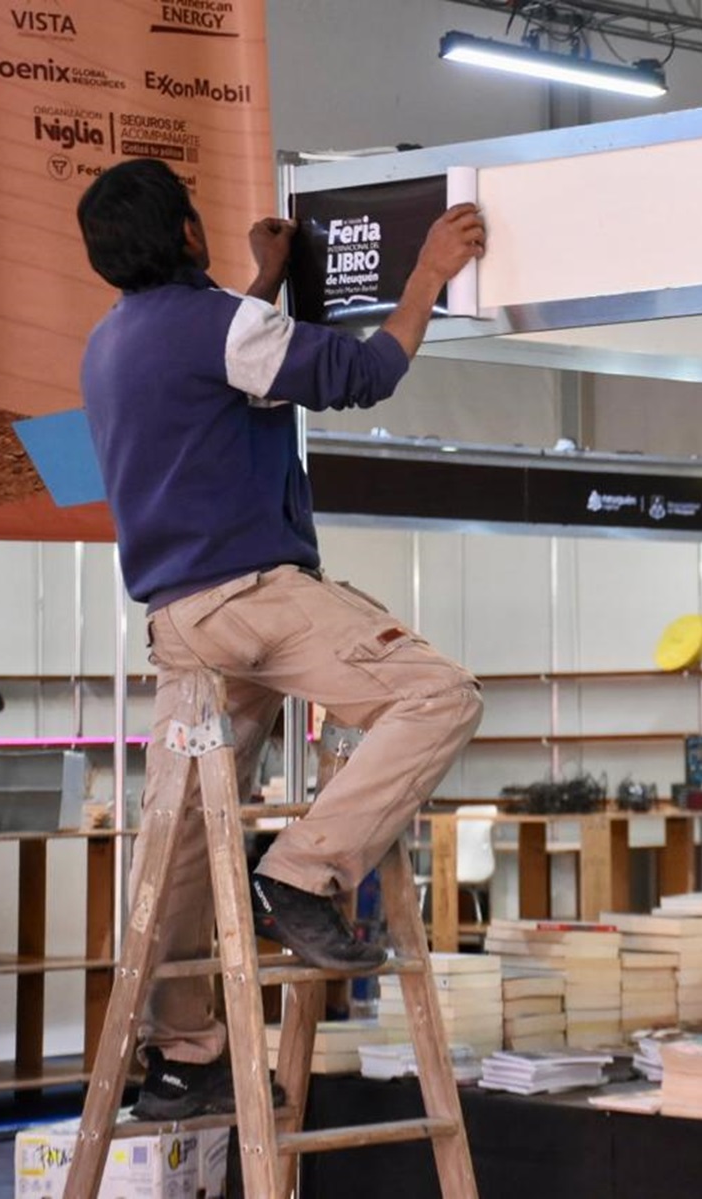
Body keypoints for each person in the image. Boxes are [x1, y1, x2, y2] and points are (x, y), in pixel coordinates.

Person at [77, 158, 486, 1119]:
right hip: (256, 597)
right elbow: (364, 373)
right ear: (185, 233)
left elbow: (220, 374)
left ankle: (187, 1054)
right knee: (439, 695)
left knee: (174, 849)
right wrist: (427, 271)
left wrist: (261, 283)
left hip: (180, 625)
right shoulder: (217, 325)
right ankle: (303, 871)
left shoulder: (109, 346)